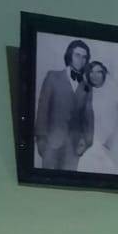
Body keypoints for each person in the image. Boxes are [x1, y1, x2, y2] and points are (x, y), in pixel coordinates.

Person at [34, 39, 94, 170]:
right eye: (77, 55)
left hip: (74, 146)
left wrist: (87, 141)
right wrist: (40, 138)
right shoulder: (52, 77)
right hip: (51, 143)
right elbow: (43, 109)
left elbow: (88, 116)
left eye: (84, 57)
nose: (81, 60)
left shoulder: (87, 86)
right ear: (69, 55)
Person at [77, 60, 118, 176]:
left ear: (104, 74)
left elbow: (117, 121)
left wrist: (106, 141)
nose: (95, 75)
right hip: (91, 140)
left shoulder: (113, 94)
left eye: (99, 72)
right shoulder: (88, 92)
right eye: (91, 72)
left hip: (107, 141)